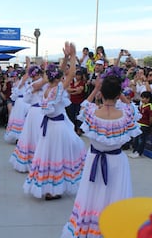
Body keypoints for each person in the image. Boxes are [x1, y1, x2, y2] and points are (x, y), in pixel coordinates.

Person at [60, 67, 142, 238]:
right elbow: (135, 110)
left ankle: (89, 228)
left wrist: (96, 89)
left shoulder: (91, 113)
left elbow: (84, 106)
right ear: (119, 93)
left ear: (101, 93)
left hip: (94, 159)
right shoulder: (126, 114)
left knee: (91, 194)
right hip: (117, 162)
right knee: (115, 195)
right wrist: (120, 94)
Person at [23, 42, 86, 200]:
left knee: (49, 155)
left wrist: (65, 57)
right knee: (67, 151)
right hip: (57, 126)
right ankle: (55, 187)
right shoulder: (57, 89)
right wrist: (73, 55)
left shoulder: (46, 89)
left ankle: (50, 187)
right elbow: (70, 74)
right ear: (58, 78)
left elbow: (61, 72)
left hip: (49, 126)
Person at [9, 64, 47, 172]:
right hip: (35, 112)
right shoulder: (34, 85)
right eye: (34, 75)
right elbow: (27, 98)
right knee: (33, 135)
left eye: (37, 75)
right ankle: (34, 160)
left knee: (39, 135)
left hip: (41, 111)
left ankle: (40, 160)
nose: (35, 77)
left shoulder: (42, 84)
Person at [129, 91, 152, 158]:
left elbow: (150, 117)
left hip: (145, 125)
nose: (142, 99)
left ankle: (139, 153)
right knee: (136, 139)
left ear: (148, 99)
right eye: (142, 98)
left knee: (142, 140)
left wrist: (150, 125)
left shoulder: (150, 106)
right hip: (139, 124)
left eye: (144, 98)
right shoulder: (142, 105)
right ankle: (135, 151)